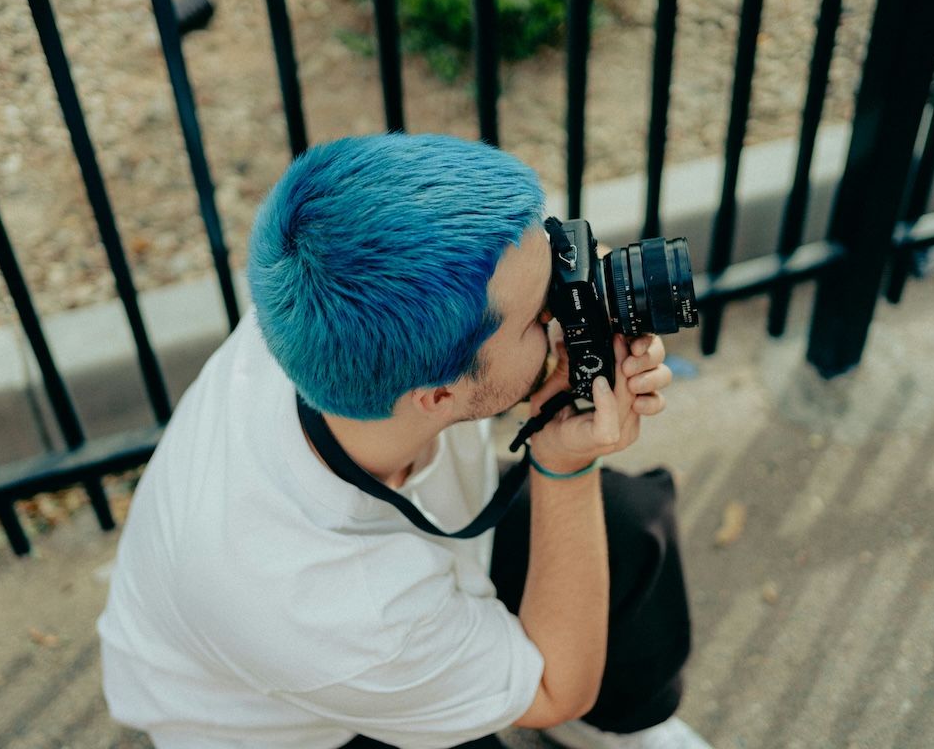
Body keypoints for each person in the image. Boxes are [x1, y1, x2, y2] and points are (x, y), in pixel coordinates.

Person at [97, 133, 710, 749]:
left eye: (555, 258)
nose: (561, 310)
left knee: (631, 531)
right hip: (301, 723)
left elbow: (512, 277)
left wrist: (589, 295)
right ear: (439, 395)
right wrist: (564, 466)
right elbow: (555, 690)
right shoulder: (339, 612)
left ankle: (618, 728)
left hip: (374, 586)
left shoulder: (331, 295)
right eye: (539, 316)